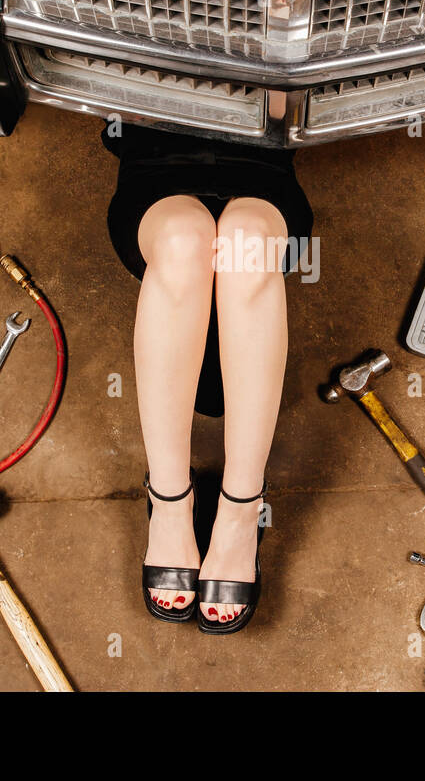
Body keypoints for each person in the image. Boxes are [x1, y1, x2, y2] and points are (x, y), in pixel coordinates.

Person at [105, 125, 312, 633]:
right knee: (182, 241)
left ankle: (243, 509)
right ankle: (170, 502)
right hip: (156, 153)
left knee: (246, 242)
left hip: (262, 155)